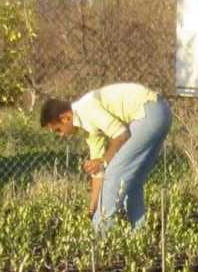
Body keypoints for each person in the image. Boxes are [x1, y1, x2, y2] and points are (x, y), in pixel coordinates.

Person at [40, 83, 172, 230]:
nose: (61, 135)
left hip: (148, 113)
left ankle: (98, 239)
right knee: (132, 181)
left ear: (65, 118)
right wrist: (92, 208)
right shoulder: (89, 129)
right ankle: (139, 235)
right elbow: (98, 173)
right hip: (159, 113)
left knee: (114, 175)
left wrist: (103, 161)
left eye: (58, 130)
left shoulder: (86, 108)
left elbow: (121, 134)